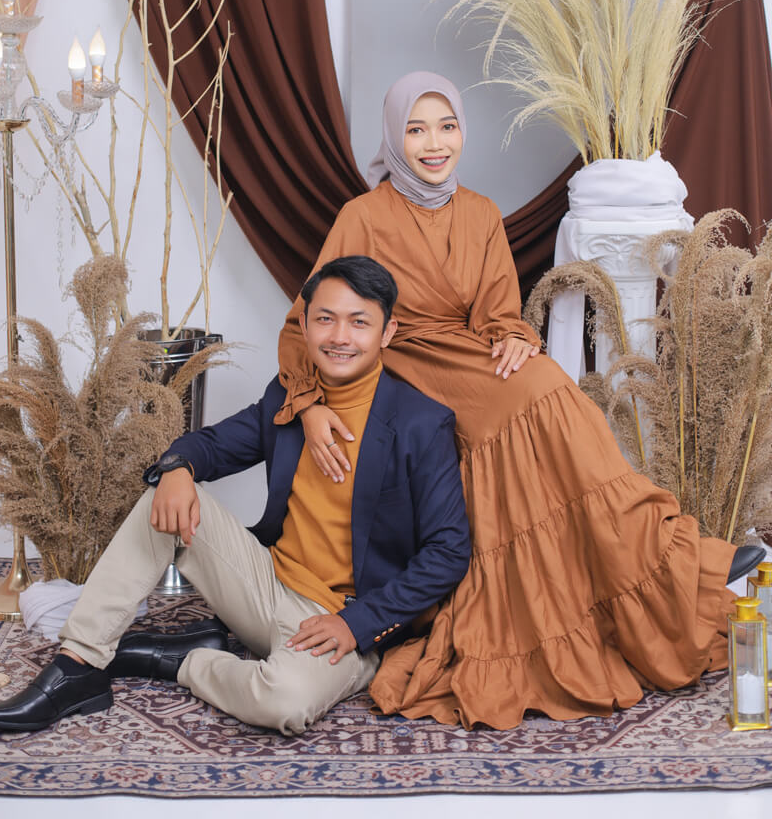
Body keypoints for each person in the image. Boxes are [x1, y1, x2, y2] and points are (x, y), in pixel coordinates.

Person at [275, 71, 762, 731]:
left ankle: (661, 550)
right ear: (394, 137)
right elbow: (302, 321)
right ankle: (676, 554)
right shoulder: (361, 217)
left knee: (548, 383)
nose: (434, 143)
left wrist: (509, 336)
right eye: (416, 130)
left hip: (466, 353)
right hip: (401, 360)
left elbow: (498, 310)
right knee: (534, 397)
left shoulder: (479, 212)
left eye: (447, 127)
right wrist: (310, 404)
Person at [0, 255, 470, 737]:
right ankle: (77, 665)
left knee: (284, 702)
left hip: (345, 619)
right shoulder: (288, 399)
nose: (340, 336)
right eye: (326, 319)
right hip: (265, 585)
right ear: (305, 325)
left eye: (359, 322)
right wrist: (177, 468)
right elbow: (211, 445)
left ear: (387, 332)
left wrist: (357, 623)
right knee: (163, 497)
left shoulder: (422, 424)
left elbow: (448, 552)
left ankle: (182, 659)